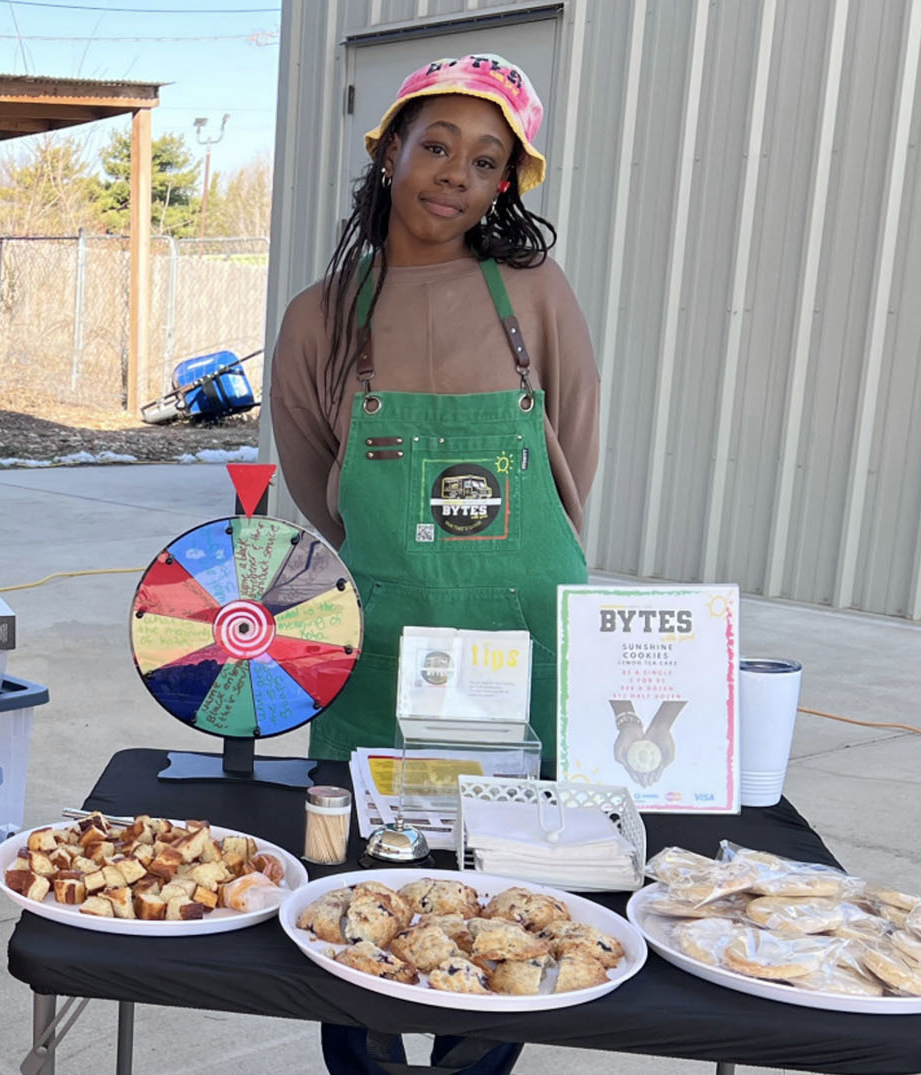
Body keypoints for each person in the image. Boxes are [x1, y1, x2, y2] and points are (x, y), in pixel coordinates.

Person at [269, 53, 600, 1075]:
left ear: (506, 182)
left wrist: (509, 568)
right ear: (392, 152)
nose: (455, 172)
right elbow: (317, 485)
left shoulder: (534, 293)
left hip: (521, 646)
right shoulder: (320, 318)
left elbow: (572, 454)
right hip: (375, 658)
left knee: (501, 914)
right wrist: (401, 556)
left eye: (485, 158)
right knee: (356, 906)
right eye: (437, 144)